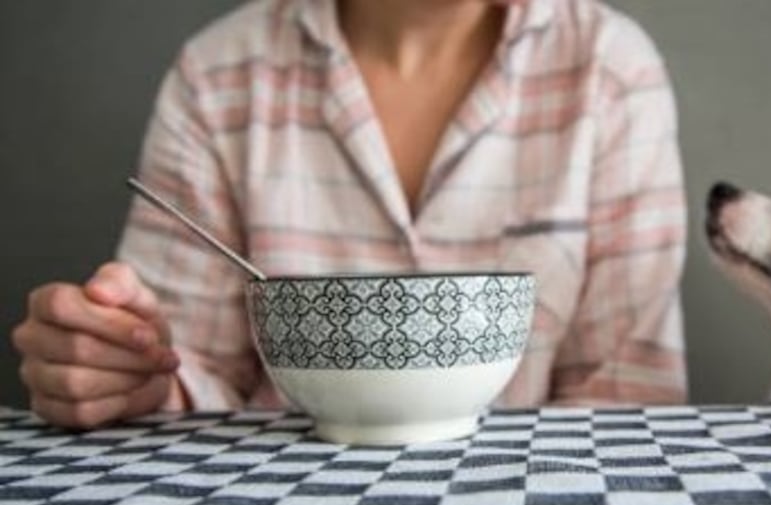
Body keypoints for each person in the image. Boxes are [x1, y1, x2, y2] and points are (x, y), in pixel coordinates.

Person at [11, 0, 687, 428]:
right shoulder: (218, 77)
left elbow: (629, 406)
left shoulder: (610, 72)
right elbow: (187, 369)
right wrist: (130, 372)